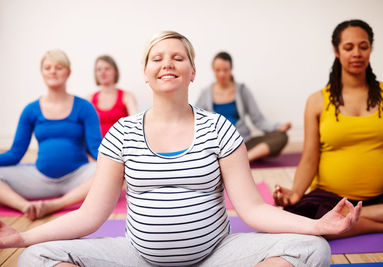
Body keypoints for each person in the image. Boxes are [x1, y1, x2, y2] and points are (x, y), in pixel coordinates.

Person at [0, 31, 361, 267]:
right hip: (136, 257)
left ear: (191, 72)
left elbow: (253, 210)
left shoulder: (219, 129)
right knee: (35, 257)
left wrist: (317, 227)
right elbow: (89, 216)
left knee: (313, 251)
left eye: (178, 57)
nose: (167, 63)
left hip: (217, 256)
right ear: (145, 73)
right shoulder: (122, 134)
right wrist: (23, 236)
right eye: (157, 58)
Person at [274, 19, 383, 239]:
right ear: (336, 50)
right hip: (330, 198)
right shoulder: (317, 101)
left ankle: (350, 217)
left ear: (371, 48)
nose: (357, 53)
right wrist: (295, 193)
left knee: (323, 222)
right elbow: (310, 158)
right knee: (299, 220)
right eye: (348, 47)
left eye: (363, 46)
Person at [0, 49, 102, 220]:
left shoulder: (84, 107)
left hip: (78, 179)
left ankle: (56, 205)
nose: (53, 71)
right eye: (48, 68)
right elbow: (16, 153)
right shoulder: (30, 110)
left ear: (68, 72)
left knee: (112, 173)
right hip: (40, 180)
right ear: (42, 72)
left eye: (59, 67)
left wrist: (117, 167)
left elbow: (95, 149)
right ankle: (27, 207)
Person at [196, 52, 291, 162]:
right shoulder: (205, 93)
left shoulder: (242, 90)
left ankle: (244, 159)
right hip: (218, 145)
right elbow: (196, 120)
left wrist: (277, 127)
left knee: (281, 137)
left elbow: (258, 120)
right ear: (213, 70)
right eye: (218, 70)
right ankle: (236, 159)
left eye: (225, 70)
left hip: (243, 143)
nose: (222, 74)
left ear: (231, 69)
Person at [88, 55, 137, 137]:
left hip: (120, 147)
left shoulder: (127, 97)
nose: (102, 72)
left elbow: (135, 123)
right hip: (95, 147)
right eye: (99, 69)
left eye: (107, 69)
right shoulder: (89, 99)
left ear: (115, 71)